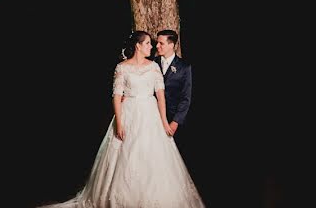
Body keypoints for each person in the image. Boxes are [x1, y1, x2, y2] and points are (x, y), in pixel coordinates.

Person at [40, 30, 205, 208]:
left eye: (156, 43)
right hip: (129, 113)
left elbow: (161, 96)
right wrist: (119, 121)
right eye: (149, 43)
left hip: (150, 114)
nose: (153, 46)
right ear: (138, 46)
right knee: (124, 155)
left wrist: (165, 121)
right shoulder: (122, 67)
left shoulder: (155, 66)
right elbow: (117, 96)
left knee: (153, 156)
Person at [154, 29, 192, 143]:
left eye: (161, 43)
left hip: (172, 119)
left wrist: (175, 122)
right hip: (152, 116)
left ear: (171, 45)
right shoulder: (152, 63)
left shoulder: (184, 67)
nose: (157, 46)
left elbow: (186, 98)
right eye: (157, 42)